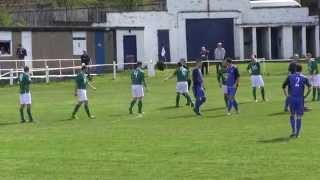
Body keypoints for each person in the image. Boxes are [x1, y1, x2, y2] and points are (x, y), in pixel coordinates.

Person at [282, 64, 311, 138]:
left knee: (292, 115)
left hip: (292, 98)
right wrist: (305, 96)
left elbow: (283, 86)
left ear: (295, 69)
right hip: (300, 99)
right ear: (301, 70)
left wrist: (287, 96)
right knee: (299, 116)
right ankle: (297, 134)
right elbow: (310, 88)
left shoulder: (290, 76)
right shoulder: (304, 78)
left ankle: (293, 131)